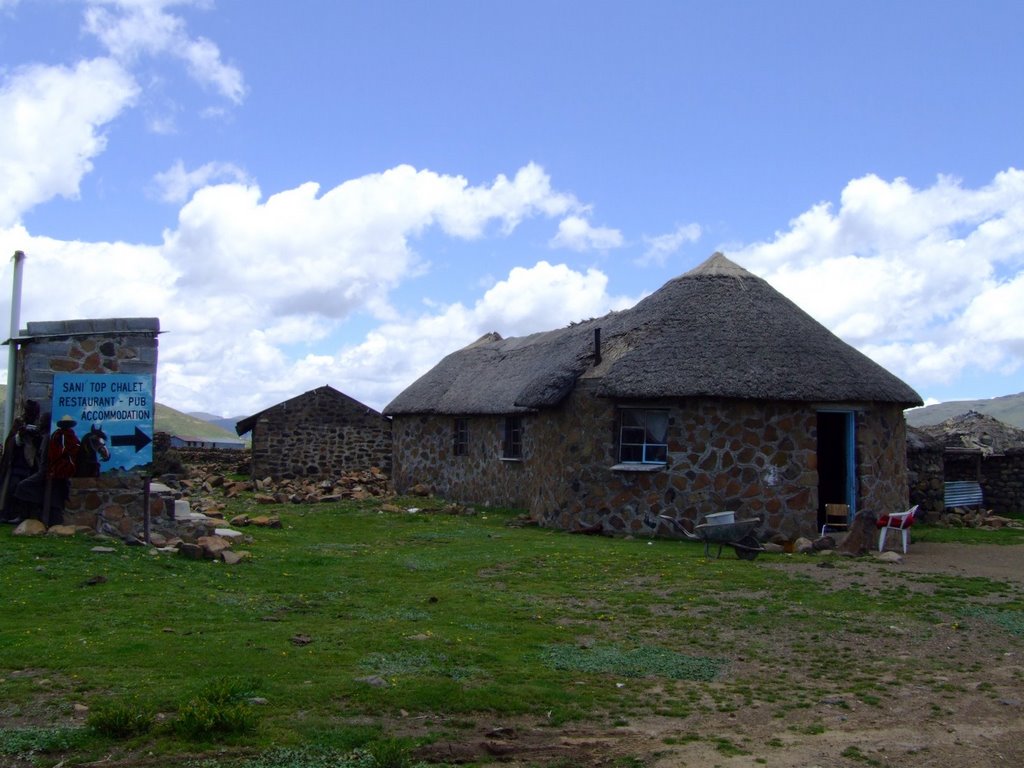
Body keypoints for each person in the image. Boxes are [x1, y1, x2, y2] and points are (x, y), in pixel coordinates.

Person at [14, 414, 80, 526]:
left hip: (54, 473)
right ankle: (33, 517)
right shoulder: (55, 436)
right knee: (51, 500)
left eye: (42, 421)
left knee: (23, 487)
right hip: (56, 473)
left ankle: (27, 516)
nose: (40, 423)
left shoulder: (58, 437)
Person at [0, 400, 43, 522]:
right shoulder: (19, 422)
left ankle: (24, 514)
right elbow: (10, 441)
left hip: (33, 463)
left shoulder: (39, 424)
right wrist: (20, 436)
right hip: (17, 462)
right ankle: (9, 514)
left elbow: (41, 444)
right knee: (12, 487)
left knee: (27, 489)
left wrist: (35, 436)